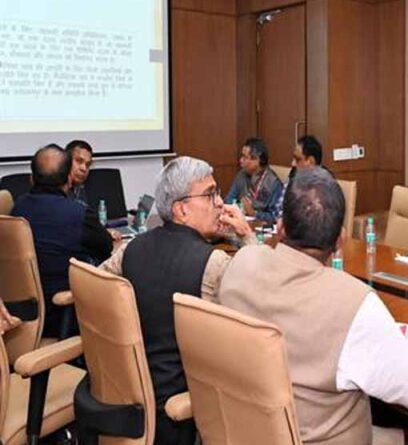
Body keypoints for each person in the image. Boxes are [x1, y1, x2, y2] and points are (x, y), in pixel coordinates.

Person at [218, 168, 408, 445]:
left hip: (249, 433)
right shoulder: (355, 303)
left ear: (281, 227)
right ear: (340, 241)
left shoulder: (240, 263)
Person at [99, 156, 254, 445]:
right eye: (210, 195)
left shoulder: (131, 249)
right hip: (184, 405)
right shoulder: (214, 263)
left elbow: (93, 283)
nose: (220, 203)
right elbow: (259, 300)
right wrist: (246, 237)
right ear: (181, 209)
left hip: (132, 393)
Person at [11, 144, 113, 338]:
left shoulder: (17, 209)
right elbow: (106, 247)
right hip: (66, 315)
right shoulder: (79, 214)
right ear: (68, 179)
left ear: (31, 178)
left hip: (22, 314)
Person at [225, 137, 284, 223]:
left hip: (261, 226)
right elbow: (228, 200)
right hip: (242, 221)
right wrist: (240, 206)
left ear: (257, 159)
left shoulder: (273, 183)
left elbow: (276, 216)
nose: (241, 160)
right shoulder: (241, 175)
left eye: (245, 157)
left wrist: (254, 213)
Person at [65, 139, 93, 206]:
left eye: (88, 164)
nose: (84, 168)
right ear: (66, 161)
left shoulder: (81, 187)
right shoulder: (52, 190)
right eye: (79, 161)